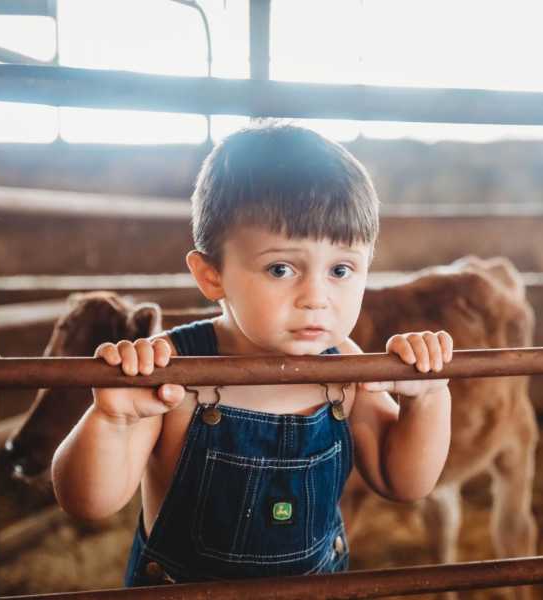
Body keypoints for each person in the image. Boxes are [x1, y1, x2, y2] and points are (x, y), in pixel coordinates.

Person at [51, 124, 453, 585]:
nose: (316, 297)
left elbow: (403, 481)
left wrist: (429, 396)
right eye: (281, 268)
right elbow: (89, 503)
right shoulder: (172, 370)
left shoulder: (345, 363)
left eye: (341, 269)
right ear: (212, 275)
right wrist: (111, 421)